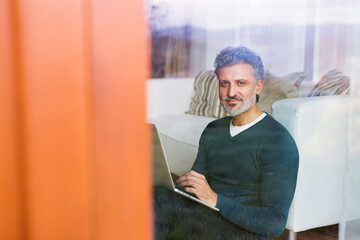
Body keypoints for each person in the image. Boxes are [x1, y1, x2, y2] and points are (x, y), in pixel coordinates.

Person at [154, 46, 299, 240]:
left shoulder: (279, 142)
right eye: (224, 84)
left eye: (241, 83)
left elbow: (274, 224)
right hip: (208, 217)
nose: (231, 92)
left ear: (258, 86)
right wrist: (183, 186)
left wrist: (214, 199)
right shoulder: (214, 129)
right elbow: (198, 186)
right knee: (156, 197)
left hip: (243, 232)